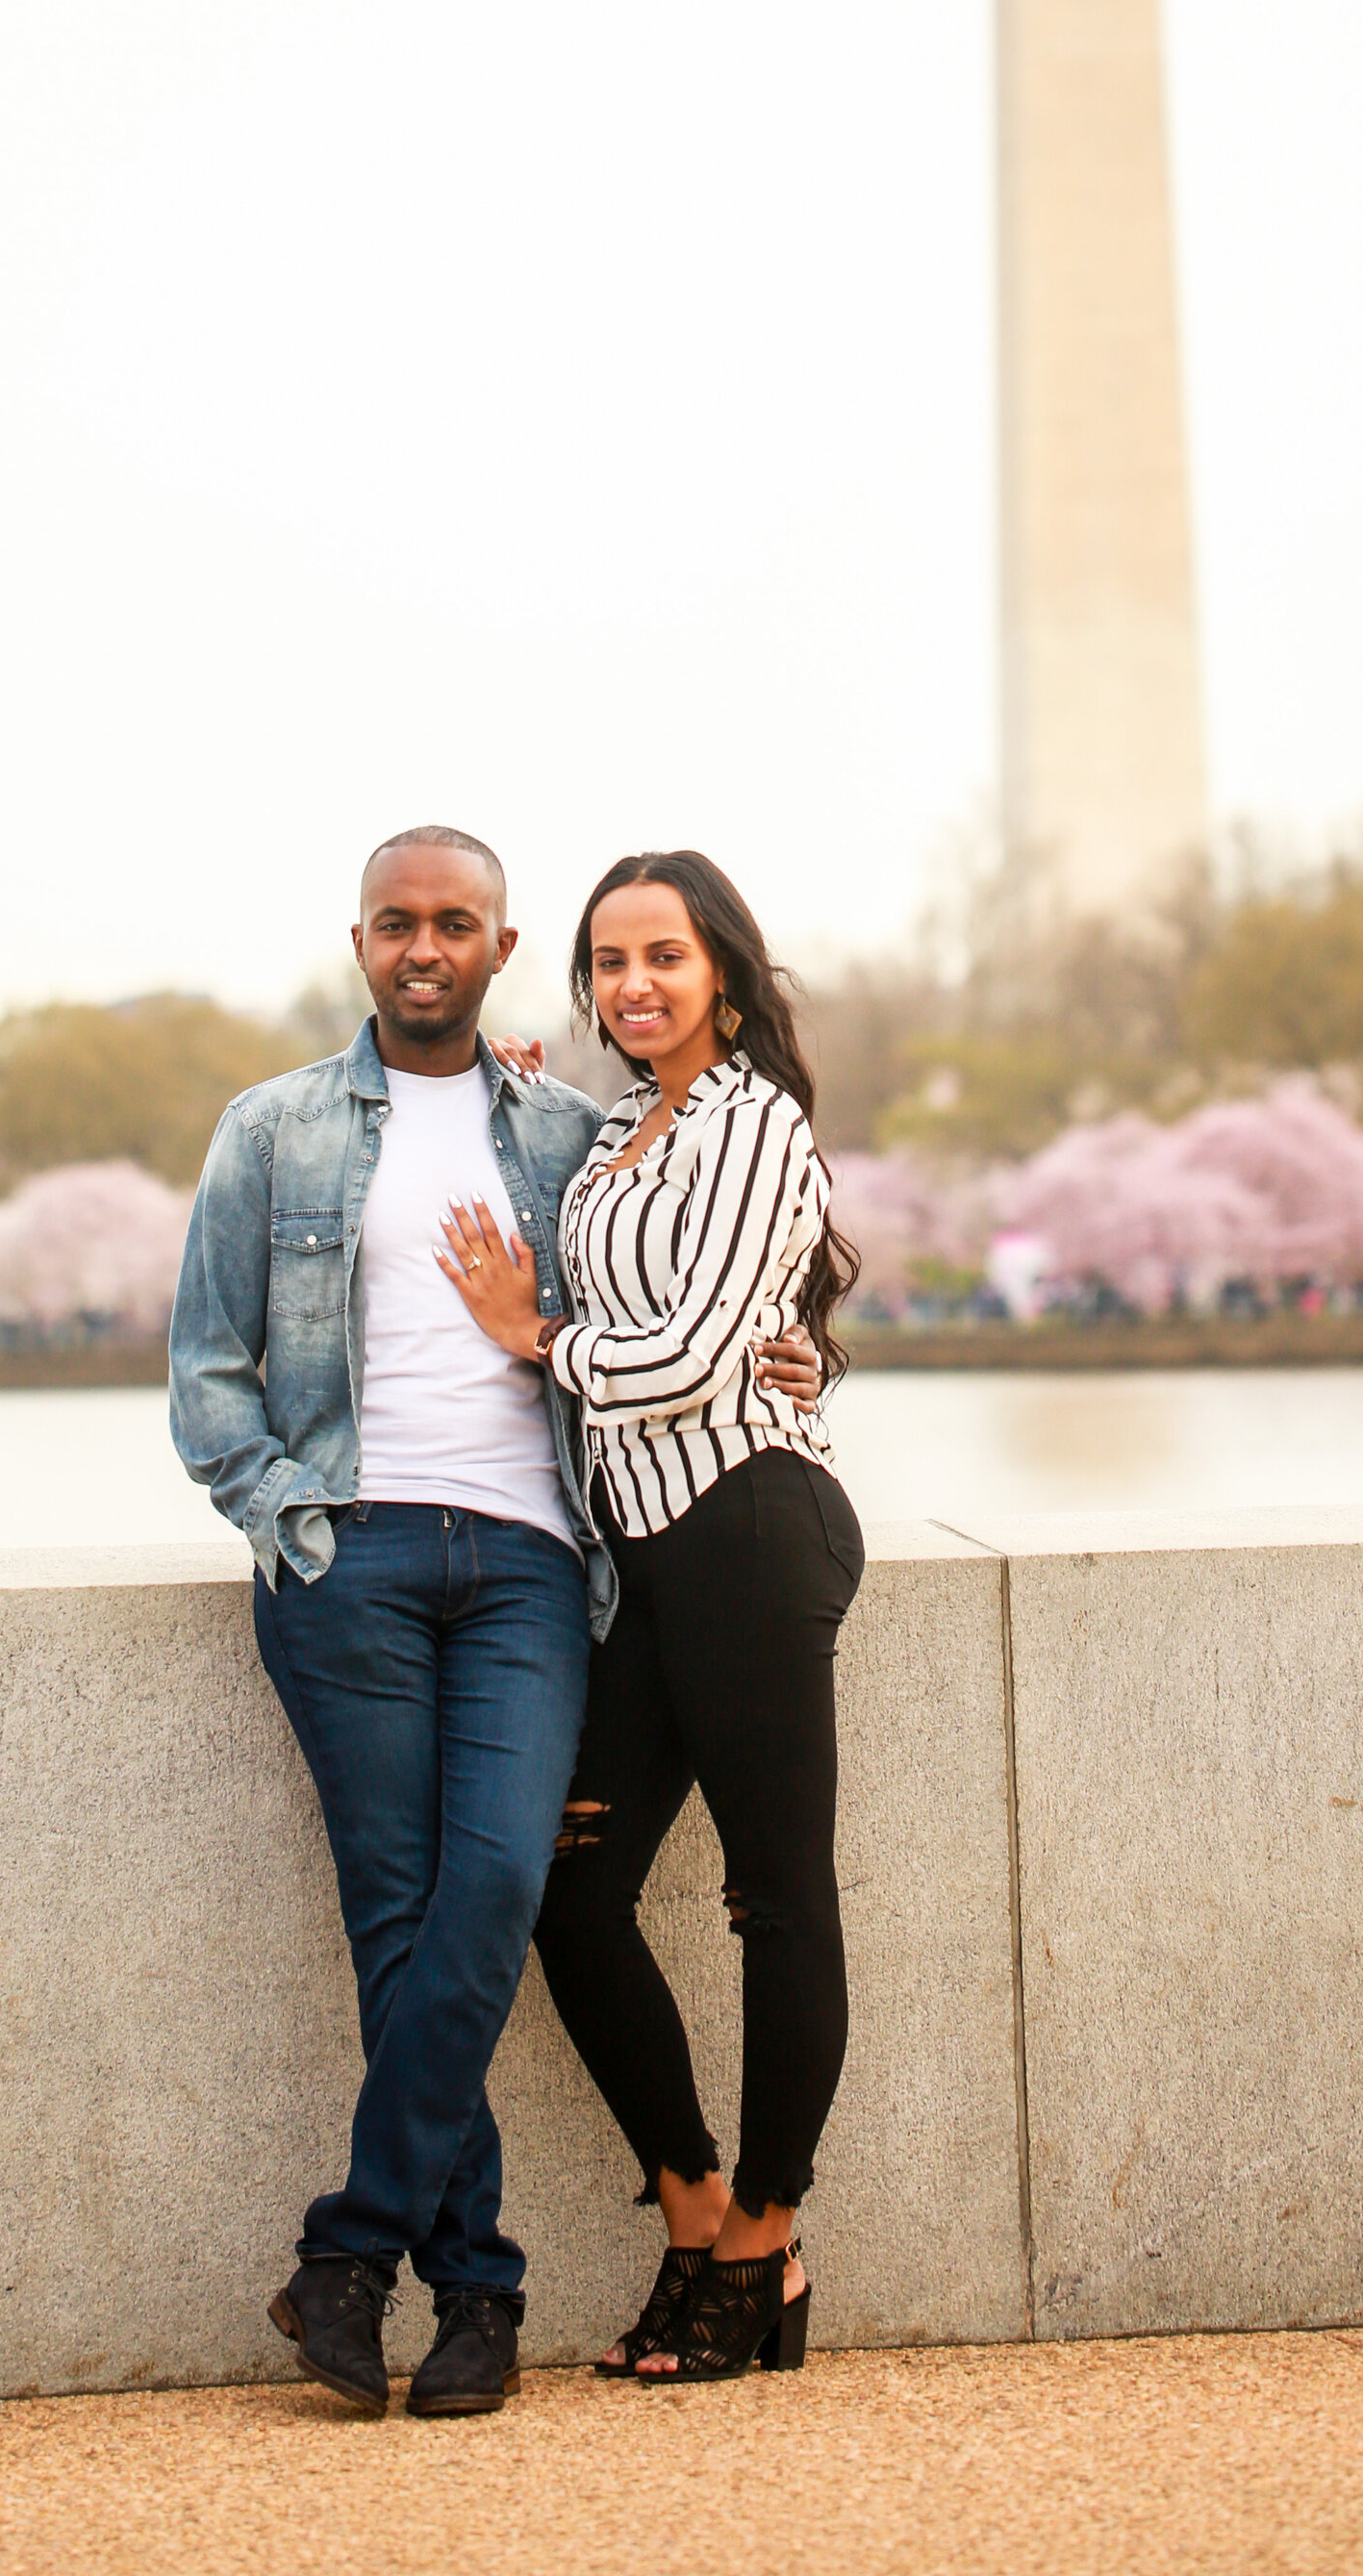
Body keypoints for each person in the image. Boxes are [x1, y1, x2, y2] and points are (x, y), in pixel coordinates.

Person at [166, 828, 820, 2421]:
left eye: (455, 923)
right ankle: (474, 2292)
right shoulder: (272, 1129)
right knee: (402, 1917)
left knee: (510, 1879)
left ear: (500, 945)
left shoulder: (572, 1131)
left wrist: (801, 1355)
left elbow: (710, 1283)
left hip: (536, 1560)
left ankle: (350, 2248)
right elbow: (208, 1371)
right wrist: (288, 1524)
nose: (424, 947)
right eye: (398, 922)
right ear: (360, 939)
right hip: (355, 1557)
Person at [440, 846, 863, 2387]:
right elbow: (717, 1325)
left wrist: (533, 1340)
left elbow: (689, 1356)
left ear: (727, 976)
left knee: (775, 1898)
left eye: (664, 957)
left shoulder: (758, 1125)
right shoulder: (618, 1127)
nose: (633, 985)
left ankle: (767, 2235)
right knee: (568, 1883)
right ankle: (690, 2203)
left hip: (750, 1532)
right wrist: (495, 1089)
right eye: (610, 959)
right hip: (641, 1560)